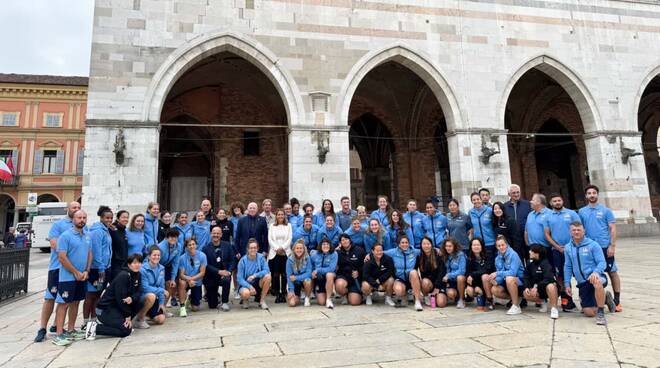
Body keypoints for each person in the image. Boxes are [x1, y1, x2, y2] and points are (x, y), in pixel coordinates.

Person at [35, 201, 80, 343]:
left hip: (73, 269)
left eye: (79, 208)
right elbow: (54, 244)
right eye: (74, 207)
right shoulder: (59, 225)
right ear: (68, 209)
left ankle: (57, 326)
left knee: (69, 299)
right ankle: (42, 328)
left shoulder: (81, 226)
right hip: (57, 267)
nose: (76, 209)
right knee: (51, 297)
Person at [578, 184, 622, 312]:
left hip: (604, 246)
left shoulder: (606, 210)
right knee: (590, 273)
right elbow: (580, 229)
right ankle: (590, 300)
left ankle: (617, 300)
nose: (592, 195)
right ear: (586, 196)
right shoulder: (582, 211)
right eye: (589, 193)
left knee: (612, 272)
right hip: (589, 248)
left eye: (594, 193)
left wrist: (612, 245)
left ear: (597, 195)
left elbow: (612, 228)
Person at [52, 210, 92, 346]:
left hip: (82, 276)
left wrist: (86, 271)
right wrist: (75, 272)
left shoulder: (87, 235)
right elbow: (62, 257)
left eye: (84, 217)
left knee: (76, 302)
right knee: (63, 304)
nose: (82, 220)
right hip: (67, 277)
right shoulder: (65, 236)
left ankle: (70, 330)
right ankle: (58, 334)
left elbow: (89, 253)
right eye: (79, 217)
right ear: (73, 219)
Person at [563, 221, 615, 325]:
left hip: (596, 277)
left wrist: (595, 272)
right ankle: (605, 298)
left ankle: (601, 313)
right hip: (582, 282)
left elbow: (602, 262)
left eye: (579, 230)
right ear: (570, 232)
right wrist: (567, 283)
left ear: (584, 231)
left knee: (597, 282)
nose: (576, 232)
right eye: (574, 230)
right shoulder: (568, 247)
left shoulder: (593, 245)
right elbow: (568, 266)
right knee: (589, 312)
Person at [84, 254, 143, 340]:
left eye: (139, 262)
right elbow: (120, 299)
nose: (137, 265)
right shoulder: (124, 276)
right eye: (134, 263)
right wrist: (127, 316)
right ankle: (95, 328)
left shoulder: (138, 274)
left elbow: (139, 292)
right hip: (105, 309)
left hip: (116, 308)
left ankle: (124, 323)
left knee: (140, 302)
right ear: (129, 264)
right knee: (125, 331)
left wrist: (132, 298)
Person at [544, 193, 580, 312]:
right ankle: (566, 301)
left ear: (562, 201)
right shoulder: (548, 216)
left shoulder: (572, 214)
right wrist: (558, 247)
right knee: (560, 276)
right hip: (557, 250)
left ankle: (584, 297)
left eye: (559, 200)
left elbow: (579, 230)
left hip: (573, 249)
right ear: (551, 203)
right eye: (554, 201)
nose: (557, 203)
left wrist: (571, 245)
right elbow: (547, 234)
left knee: (578, 273)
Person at [82, 206, 113, 329]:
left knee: (98, 294)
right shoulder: (97, 231)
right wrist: (101, 268)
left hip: (105, 267)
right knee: (90, 295)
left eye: (111, 218)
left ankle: (94, 319)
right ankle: (85, 321)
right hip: (97, 269)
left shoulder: (106, 230)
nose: (109, 220)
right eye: (107, 218)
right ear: (101, 218)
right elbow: (96, 250)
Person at [487, 235, 525, 315]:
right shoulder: (497, 258)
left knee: (509, 278)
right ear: (496, 247)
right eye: (499, 246)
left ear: (506, 245)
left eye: (503, 245)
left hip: (520, 280)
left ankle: (516, 306)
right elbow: (501, 274)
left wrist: (497, 273)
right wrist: (496, 281)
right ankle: (517, 298)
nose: (501, 247)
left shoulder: (513, 255)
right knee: (494, 289)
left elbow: (512, 273)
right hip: (507, 281)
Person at [522, 245, 559, 319]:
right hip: (538, 289)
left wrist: (537, 286)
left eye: (531, 251)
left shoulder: (545, 263)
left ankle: (554, 309)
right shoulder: (529, 262)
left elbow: (549, 278)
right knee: (525, 294)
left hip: (547, 288)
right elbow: (526, 276)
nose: (529, 252)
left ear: (537, 253)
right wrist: (526, 287)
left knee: (551, 286)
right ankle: (543, 301)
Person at [386, 236, 422, 311]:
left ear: (409, 243)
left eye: (406, 243)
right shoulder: (393, 252)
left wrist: (437, 250)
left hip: (411, 277)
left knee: (414, 272)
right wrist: (369, 255)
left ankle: (417, 301)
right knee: (399, 291)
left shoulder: (414, 251)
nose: (404, 244)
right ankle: (405, 294)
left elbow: (426, 250)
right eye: (402, 243)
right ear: (399, 244)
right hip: (400, 278)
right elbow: (380, 253)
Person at [202, 227, 234, 311]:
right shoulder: (205, 248)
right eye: (214, 233)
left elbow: (232, 260)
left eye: (218, 233)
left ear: (221, 235)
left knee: (226, 280)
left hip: (224, 274)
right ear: (211, 234)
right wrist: (219, 271)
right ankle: (215, 296)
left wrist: (229, 272)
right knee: (212, 305)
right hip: (211, 276)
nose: (216, 235)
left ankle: (224, 302)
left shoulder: (227, 245)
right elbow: (206, 265)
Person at [135, 245, 167, 329]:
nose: (156, 257)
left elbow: (161, 285)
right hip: (143, 297)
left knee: (161, 320)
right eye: (154, 255)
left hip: (154, 298)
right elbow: (144, 287)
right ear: (149, 256)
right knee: (151, 296)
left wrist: (161, 303)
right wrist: (161, 291)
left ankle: (147, 315)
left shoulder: (162, 268)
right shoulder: (143, 269)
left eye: (158, 255)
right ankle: (139, 319)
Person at [237, 239, 271, 310]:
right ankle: (245, 300)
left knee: (268, 277)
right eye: (251, 248)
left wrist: (255, 275)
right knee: (245, 293)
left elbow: (267, 270)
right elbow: (239, 279)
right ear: (247, 249)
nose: (253, 250)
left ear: (258, 248)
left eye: (255, 248)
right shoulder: (242, 261)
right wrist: (249, 287)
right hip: (245, 284)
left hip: (257, 283)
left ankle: (262, 301)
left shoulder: (261, 257)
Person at [177, 238, 207, 317]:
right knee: (182, 283)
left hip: (196, 281)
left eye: (193, 244)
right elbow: (181, 274)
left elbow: (202, 273)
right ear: (186, 247)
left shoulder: (202, 256)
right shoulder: (182, 258)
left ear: (196, 245)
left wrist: (192, 279)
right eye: (189, 245)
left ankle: (190, 299)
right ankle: (182, 307)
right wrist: (189, 280)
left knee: (195, 308)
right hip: (186, 280)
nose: (192, 246)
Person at [268, 209, 292, 303]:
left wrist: (282, 248)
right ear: (276, 216)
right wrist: (277, 248)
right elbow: (270, 239)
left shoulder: (288, 226)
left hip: (285, 253)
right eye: (279, 214)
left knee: (285, 274)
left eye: (282, 214)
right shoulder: (272, 226)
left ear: (284, 216)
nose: (280, 216)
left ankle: (284, 293)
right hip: (274, 253)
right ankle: (277, 293)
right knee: (276, 274)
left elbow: (290, 238)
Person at [335, 234, 366, 306]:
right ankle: (345, 295)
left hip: (355, 279)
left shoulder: (359, 250)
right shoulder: (337, 253)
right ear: (340, 243)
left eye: (346, 239)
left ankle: (354, 293)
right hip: (343, 276)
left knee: (355, 302)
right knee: (339, 285)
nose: (345, 241)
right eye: (342, 240)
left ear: (350, 240)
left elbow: (365, 266)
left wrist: (358, 271)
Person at [416, 236, 447, 308]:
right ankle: (426, 296)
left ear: (432, 245)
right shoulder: (419, 256)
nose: (426, 246)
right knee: (425, 282)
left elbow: (441, 272)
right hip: (427, 283)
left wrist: (437, 287)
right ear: (421, 245)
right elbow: (415, 271)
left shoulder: (438, 255)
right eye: (424, 244)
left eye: (428, 244)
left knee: (441, 304)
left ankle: (442, 295)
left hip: (439, 283)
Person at [469, 192, 496, 268]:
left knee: (492, 265)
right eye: (474, 200)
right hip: (478, 245)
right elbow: (471, 229)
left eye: (478, 199)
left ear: (481, 199)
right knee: (482, 266)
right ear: (471, 201)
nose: (476, 201)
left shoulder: (489, 210)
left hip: (490, 243)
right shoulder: (470, 212)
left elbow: (494, 225)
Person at [466, 238, 493, 311]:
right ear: (471, 247)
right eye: (474, 245)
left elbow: (487, 270)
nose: (476, 247)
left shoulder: (488, 255)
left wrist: (473, 275)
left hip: (488, 282)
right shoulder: (469, 258)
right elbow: (467, 274)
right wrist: (476, 286)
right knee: (469, 290)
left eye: (478, 245)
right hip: (477, 283)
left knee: (484, 276)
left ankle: (490, 299)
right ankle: (480, 297)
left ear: (482, 246)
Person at [158, 229, 181, 309]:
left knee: (170, 284)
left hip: (168, 266)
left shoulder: (178, 246)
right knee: (161, 286)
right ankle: (157, 308)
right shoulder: (161, 247)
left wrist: (173, 278)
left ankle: (163, 307)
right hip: (158, 266)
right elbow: (156, 262)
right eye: (171, 237)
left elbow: (176, 263)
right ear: (167, 238)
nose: (173, 239)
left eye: (175, 237)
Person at [441, 238, 467, 308]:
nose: (448, 248)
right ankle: (456, 297)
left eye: (450, 246)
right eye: (446, 246)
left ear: (454, 246)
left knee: (460, 277)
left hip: (460, 280)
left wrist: (449, 275)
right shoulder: (445, 255)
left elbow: (462, 271)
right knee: (451, 293)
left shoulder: (460, 255)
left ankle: (462, 299)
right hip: (451, 281)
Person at [286, 240, 313, 307]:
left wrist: (296, 277)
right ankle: (298, 295)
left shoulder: (307, 258)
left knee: (308, 281)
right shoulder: (290, 259)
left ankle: (307, 297)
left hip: (304, 280)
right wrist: (291, 291)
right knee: (292, 304)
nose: (299, 250)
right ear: (294, 249)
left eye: (301, 248)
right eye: (297, 248)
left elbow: (309, 273)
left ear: (304, 249)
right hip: (295, 283)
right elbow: (289, 276)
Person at [312, 237, 338, 308]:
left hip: (329, 276)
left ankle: (329, 299)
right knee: (321, 302)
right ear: (320, 245)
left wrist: (317, 270)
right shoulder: (315, 254)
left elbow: (331, 268)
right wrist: (312, 272)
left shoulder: (334, 254)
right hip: (319, 278)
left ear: (330, 245)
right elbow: (311, 266)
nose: (325, 246)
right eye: (323, 244)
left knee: (329, 274)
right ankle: (316, 291)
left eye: (327, 244)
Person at [109, 210, 129, 283]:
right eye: (123, 217)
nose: (126, 219)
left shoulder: (124, 230)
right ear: (117, 218)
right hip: (115, 264)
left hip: (124, 264)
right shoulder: (112, 229)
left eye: (127, 217)